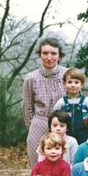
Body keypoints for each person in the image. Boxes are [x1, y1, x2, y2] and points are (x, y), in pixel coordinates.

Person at [23, 37, 67, 167]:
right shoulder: (31, 78)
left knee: (63, 162)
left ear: (59, 56)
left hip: (62, 124)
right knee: (37, 163)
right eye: (45, 53)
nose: (49, 57)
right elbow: (27, 107)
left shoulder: (67, 74)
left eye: (53, 53)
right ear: (40, 55)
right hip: (40, 122)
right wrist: (33, 126)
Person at [53, 67, 88, 144]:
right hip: (65, 137)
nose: (73, 85)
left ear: (81, 84)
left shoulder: (87, 102)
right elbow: (54, 119)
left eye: (76, 82)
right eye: (70, 82)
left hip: (83, 136)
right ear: (64, 84)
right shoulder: (61, 103)